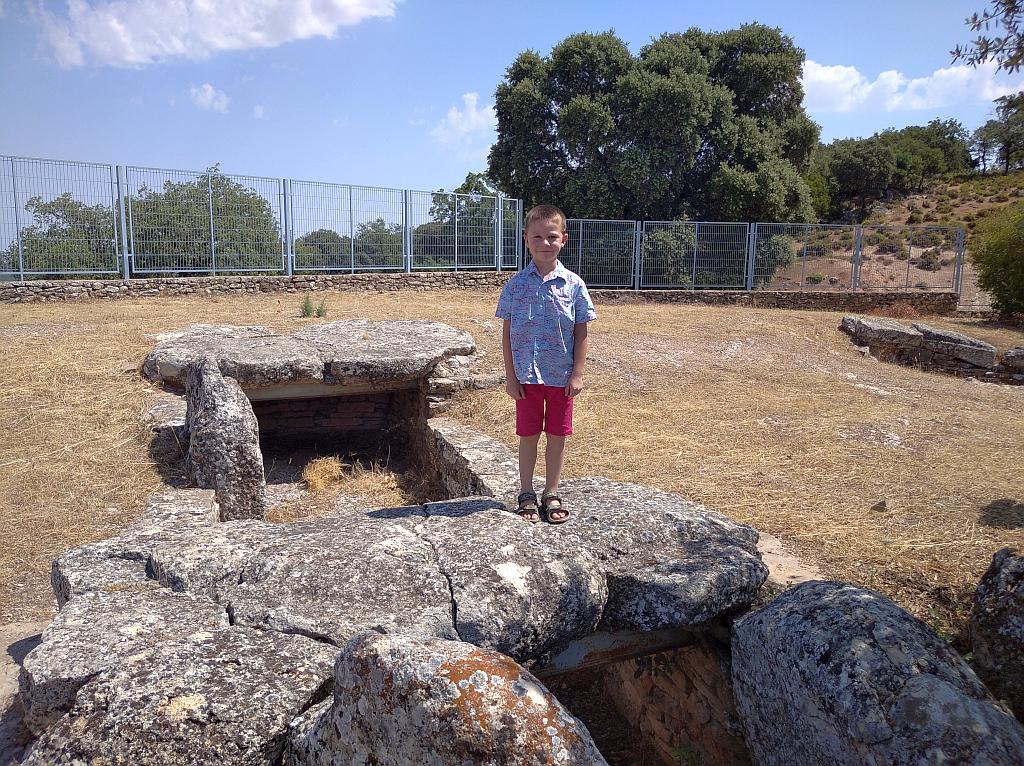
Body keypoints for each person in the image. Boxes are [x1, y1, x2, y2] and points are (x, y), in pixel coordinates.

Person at [495, 204, 596, 524]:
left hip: (560, 378)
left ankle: (551, 491)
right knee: (527, 435)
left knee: (557, 435)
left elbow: (581, 331)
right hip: (526, 378)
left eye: (552, 236)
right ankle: (526, 491)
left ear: (563, 239)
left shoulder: (575, 285)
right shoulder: (515, 286)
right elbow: (507, 335)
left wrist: (578, 374)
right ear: (526, 240)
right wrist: (510, 377)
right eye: (537, 236)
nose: (544, 242)